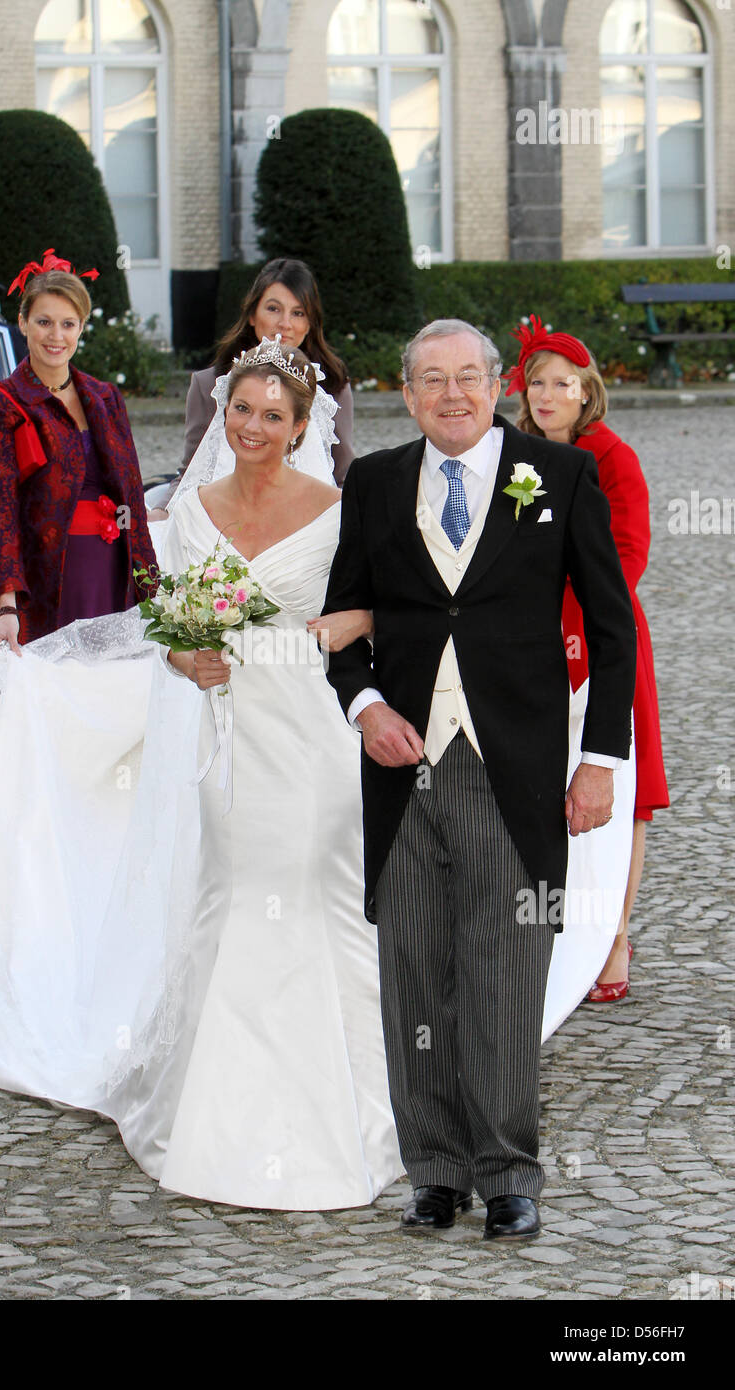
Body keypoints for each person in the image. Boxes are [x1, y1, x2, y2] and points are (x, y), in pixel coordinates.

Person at [0, 338, 403, 1211]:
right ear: (221, 412)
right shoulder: (188, 510)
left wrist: (335, 632)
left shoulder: (341, 509)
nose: (255, 427)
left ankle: (358, 1109)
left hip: (308, 731)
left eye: (275, 415)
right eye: (242, 410)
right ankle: (211, 1108)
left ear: (304, 425)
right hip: (222, 734)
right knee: (228, 885)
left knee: (313, 885)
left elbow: (375, 603)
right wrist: (183, 647)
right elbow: (163, 617)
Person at [321, 318, 637, 1240]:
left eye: (469, 377)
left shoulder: (562, 476)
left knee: (504, 969)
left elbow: (614, 631)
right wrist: (366, 709)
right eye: (432, 380)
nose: (452, 395)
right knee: (414, 970)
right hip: (405, 768)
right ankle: (433, 1170)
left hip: (519, 767)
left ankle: (508, 1173)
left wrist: (600, 761)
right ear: (406, 393)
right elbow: (345, 629)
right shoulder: (375, 485)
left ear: (498, 383)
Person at [507, 315, 669, 1002]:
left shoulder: (612, 455)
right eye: (535, 383)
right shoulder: (517, 456)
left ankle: (616, 936)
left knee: (624, 789)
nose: (547, 395)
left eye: (560, 383)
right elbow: (513, 541)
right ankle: (546, 933)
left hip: (602, 635)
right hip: (534, 636)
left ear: (585, 389)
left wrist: (575, 611)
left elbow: (627, 554)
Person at [0, 249, 157, 721]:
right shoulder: (1, 403)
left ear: (82, 328)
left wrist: (153, 590)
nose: (56, 336)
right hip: (48, 578)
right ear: (23, 322)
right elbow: (0, 508)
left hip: (109, 575)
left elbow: (132, 497)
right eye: (45, 322)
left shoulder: (106, 397)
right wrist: (7, 604)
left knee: (107, 704)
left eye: (68, 324)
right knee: (51, 708)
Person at [150, 257, 354, 517]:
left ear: (310, 323)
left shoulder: (333, 386)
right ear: (252, 315)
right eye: (273, 309)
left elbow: (343, 474)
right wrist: (161, 512)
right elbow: (193, 469)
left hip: (308, 519)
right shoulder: (209, 384)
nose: (285, 323)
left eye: (298, 313)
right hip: (225, 519)